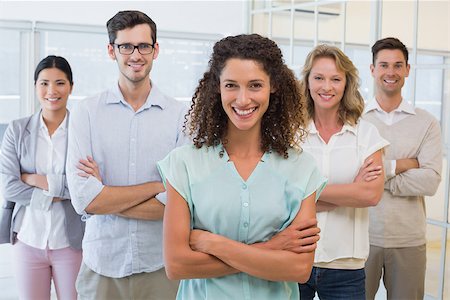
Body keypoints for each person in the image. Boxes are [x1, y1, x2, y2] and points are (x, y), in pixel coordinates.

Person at [157, 33, 327, 300]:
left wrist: (214, 243)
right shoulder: (184, 164)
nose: (243, 99)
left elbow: (299, 269)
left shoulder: (301, 168)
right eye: (232, 85)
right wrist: (272, 248)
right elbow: (177, 265)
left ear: (274, 87)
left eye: (255, 85)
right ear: (218, 87)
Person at [66, 10, 186, 299]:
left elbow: (180, 201)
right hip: (101, 265)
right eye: (125, 46)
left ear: (155, 50)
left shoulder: (180, 116)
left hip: (159, 266)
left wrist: (105, 195)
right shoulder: (87, 112)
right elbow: (84, 198)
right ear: (111, 51)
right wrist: (157, 187)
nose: (136, 55)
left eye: (144, 46)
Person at [298, 45, 389, 299]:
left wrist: (307, 194)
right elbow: (278, 197)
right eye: (319, 78)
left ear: (346, 84)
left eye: (335, 79)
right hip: (293, 256)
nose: (326, 87)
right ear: (307, 81)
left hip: (345, 267)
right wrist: (349, 193)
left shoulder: (366, 134)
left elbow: (370, 195)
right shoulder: (290, 134)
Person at [363, 37, 442, 300]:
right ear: (373, 69)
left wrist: (376, 175)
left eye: (398, 65)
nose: (391, 72)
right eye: (384, 65)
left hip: (409, 239)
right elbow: (349, 173)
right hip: (361, 237)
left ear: (407, 70)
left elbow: (430, 181)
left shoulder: (427, 123)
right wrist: (403, 165)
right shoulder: (355, 118)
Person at [0, 55, 84, 300]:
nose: (52, 91)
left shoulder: (82, 131)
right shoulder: (17, 130)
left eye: (60, 83)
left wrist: (36, 180)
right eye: (44, 83)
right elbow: (9, 187)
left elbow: (86, 186)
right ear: (35, 86)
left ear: (71, 86)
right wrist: (58, 192)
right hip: (28, 238)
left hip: (71, 241)